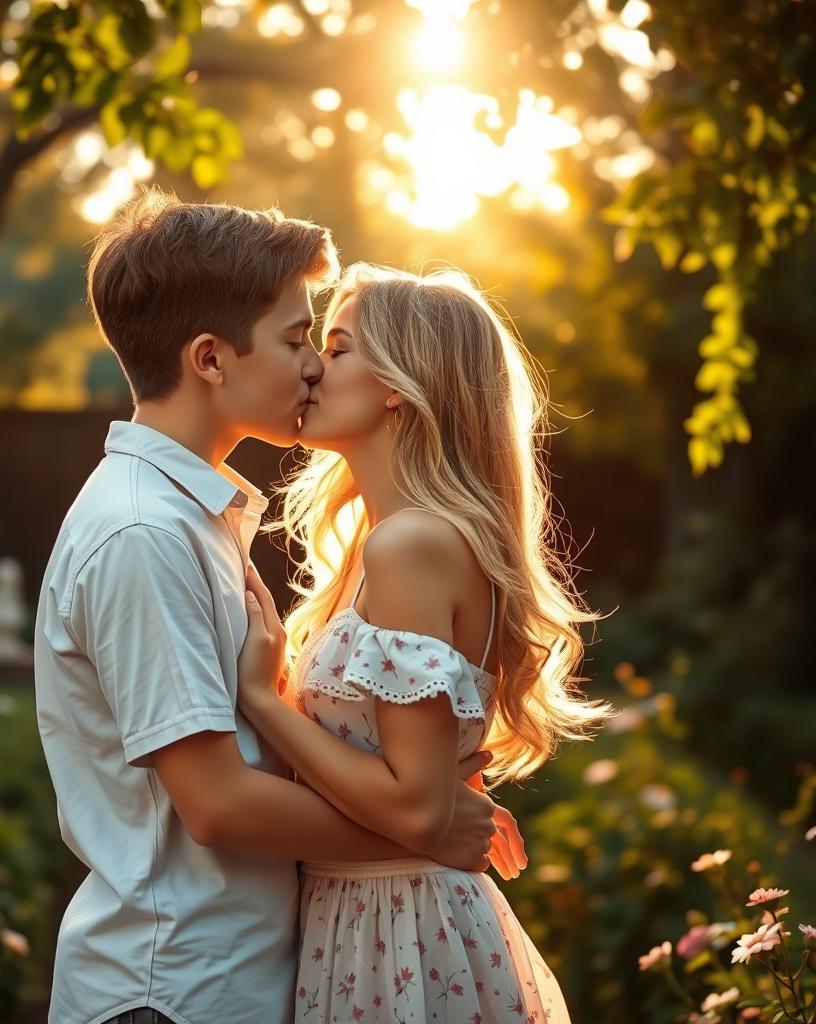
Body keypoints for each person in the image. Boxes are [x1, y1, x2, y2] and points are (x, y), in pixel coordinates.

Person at [33, 193, 511, 1024]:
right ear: (211, 359)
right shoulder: (144, 531)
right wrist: (426, 834)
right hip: (177, 990)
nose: (313, 366)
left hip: (237, 976)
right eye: (299, 340)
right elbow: (218, 804)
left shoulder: (198, 519)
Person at [235, 263, 612, 1023]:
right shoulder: (383, 545)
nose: (312, 366)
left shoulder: (409, 546)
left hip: (397, 931)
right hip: (372, 920)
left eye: (337, 349)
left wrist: (261, 702)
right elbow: (423, 783)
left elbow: (414, 808)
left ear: (398, 386)